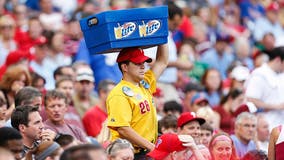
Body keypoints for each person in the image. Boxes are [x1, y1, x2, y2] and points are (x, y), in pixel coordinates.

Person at [106, 43, 168, 159]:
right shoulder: (119, 93)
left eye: (143, 63)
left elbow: (162, 62)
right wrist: (152, 148)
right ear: (125, 67)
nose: (143, 66)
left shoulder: (144, 84)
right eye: (138, 63)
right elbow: (123, 129)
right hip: (131, 154)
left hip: (147, 150)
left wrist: (163, 38)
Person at [245, 46, 284, 130]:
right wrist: (276, 106)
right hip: (267, 124)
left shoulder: (281, 75)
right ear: (278, 60)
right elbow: (251, 99)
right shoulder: (259, 75)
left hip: (281, 123)